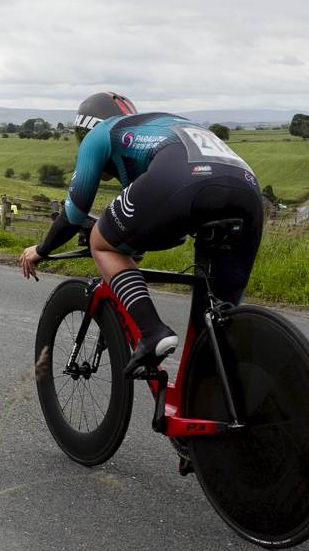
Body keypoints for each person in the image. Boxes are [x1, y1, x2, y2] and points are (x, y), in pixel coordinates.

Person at [20, 92, 264, 376]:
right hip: (247, 188)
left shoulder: (102, 132)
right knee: (213, 329)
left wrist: (41, 249)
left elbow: (74, 214)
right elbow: (168, 231)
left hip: (184, 176)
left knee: (102, 243)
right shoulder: (160, 126)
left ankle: (152, 332)